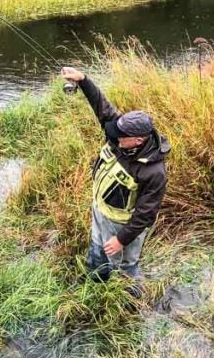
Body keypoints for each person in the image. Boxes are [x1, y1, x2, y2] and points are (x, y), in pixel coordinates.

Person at [61, 67, 170, 282]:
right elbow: (101, 106)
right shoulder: (120, 136)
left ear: (139, 140)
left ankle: (129, 294)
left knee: (124, 266)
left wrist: (121, 239)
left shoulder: (154, 172)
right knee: (97, 252)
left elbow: (145, 215)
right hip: (100, 211)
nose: (115, 137)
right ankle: (95, 279)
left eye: (122, 136)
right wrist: (83, 80)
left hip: (122, 225)